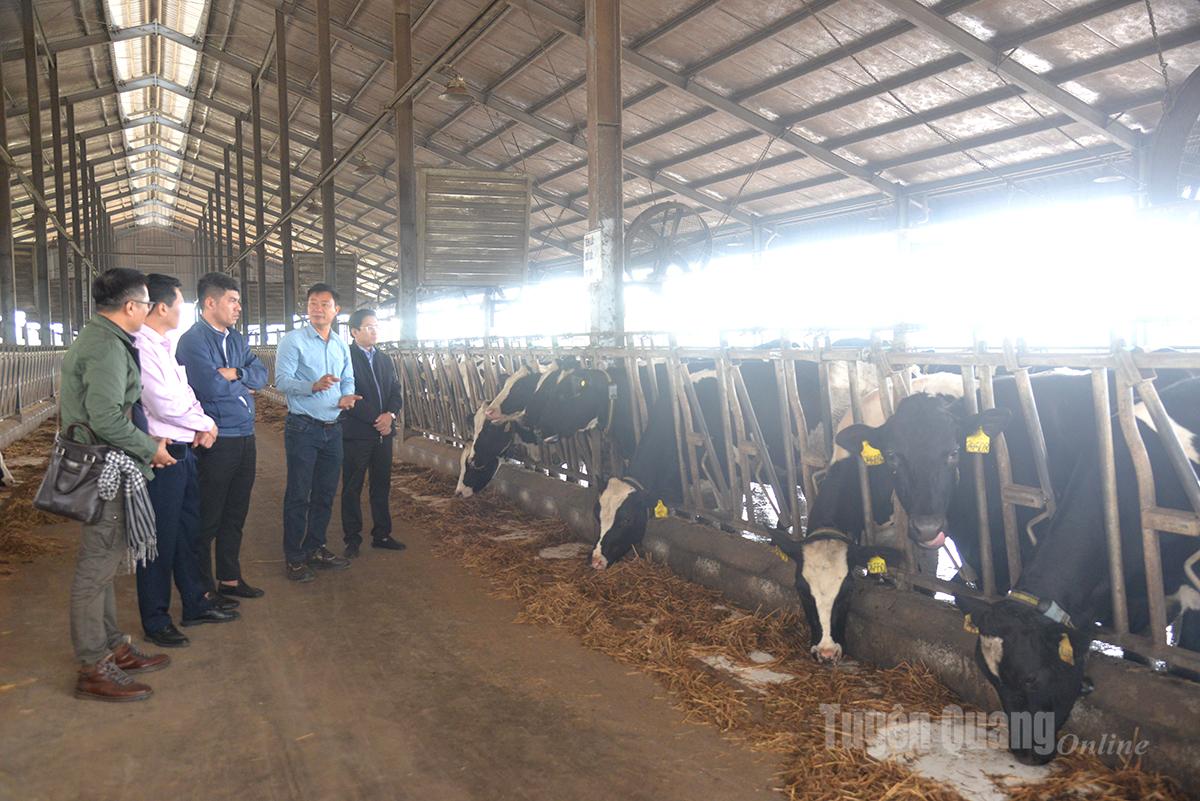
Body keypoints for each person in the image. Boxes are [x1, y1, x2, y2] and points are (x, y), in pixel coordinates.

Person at [62, 268, 174, 702]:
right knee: (95, 570)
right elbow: (106, 417)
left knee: (105, 563)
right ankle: (93, 666)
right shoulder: (107, 347)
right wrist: (149, 448)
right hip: (103, 468)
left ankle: (112, 647)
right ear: (131, 306)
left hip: (105, 463)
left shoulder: (103, 340)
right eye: (146, 304)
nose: (147, 311)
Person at [133, 274, 240, 649]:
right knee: (159, 538)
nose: (182, 309)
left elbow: (187, 393)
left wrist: (203, 422)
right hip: (162, 455)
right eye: (179, 303)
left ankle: (195, 602)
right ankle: (156, 618)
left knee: (185, 531)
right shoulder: (141, 349)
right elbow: (163, 403)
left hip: (183, 449)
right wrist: (205, 422)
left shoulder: (163, 345)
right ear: (162, 307)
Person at [176, 272, 268, 600]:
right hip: (216, 438)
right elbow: (208, 385)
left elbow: (261, 375)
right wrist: (234, 382)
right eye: (232, 300)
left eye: (239, 301)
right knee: (208, 517)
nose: (238, 307)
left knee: (235, 512)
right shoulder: (193, 340)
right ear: (209, 302)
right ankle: (201, 590)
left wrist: (237, 374)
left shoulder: (237, 338)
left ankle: (229, 579)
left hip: (245, 434)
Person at [276, 284, 360, 582]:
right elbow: (282, 381)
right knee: (299, 493)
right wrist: (311, 386)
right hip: (303, 427)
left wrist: (347, 396)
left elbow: (348, 378)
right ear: (307, 308)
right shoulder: (293, 341)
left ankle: (316, 547)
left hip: (333, 428)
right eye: (313, 303)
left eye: (325, 304)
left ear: (336, 311)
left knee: (325, 493)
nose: (318, 308)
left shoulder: (340, 345)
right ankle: (294, 556)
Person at [339, 309, 404, 559]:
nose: (374, 331)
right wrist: (376, 419)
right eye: (368, 327)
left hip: (384, 433)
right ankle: (352, 538)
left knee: (381, 484)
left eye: (376, 326)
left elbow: (396, 392)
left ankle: (382, 534)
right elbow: (348, 393)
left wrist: (391, 415)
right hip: (357, 433)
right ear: (354, 332)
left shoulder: (385, 360)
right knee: (352, 486)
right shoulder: (345, 357)